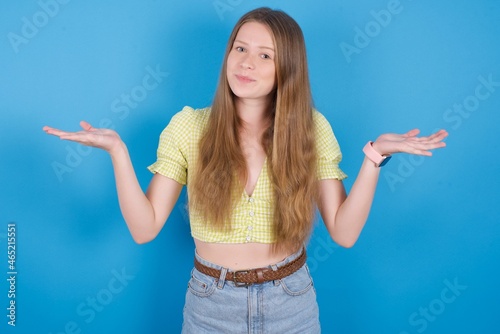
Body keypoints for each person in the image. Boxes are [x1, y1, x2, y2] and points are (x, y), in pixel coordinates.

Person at [43, 7, 448, 333]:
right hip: (210, 304)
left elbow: (344, 232)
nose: (246, 63)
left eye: (264, 55)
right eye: (240, 48)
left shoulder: (312, 128)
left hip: (292, 303)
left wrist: (375, 155)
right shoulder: (188, 127)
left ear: (285, 68)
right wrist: (117, 151)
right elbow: (144, 228)